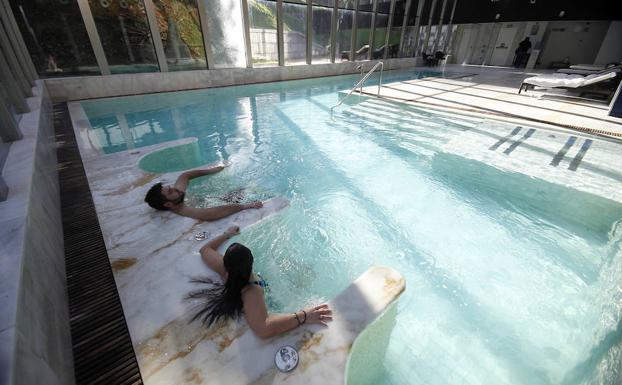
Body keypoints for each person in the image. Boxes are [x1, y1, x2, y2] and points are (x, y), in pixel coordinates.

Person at [188, 225, 333, 338]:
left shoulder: (225, 270)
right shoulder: (252, 291)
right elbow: (263, 329)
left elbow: (204, 249)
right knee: (307, 276)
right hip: (271, 303)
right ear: (251, 262)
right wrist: (304, 316)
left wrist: (227, 234)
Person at [144, 163, 263, 221]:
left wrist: (211, 171)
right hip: (218, 203)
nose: (175, 188)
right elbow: (214, 213)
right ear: (168, 204)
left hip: (214, 198)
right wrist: (246, 206)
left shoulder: (177, 195)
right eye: (170, 192)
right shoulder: (186, 210)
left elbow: (185, 176)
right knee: (252, 189)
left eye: (171, 187)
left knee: (247, 186)